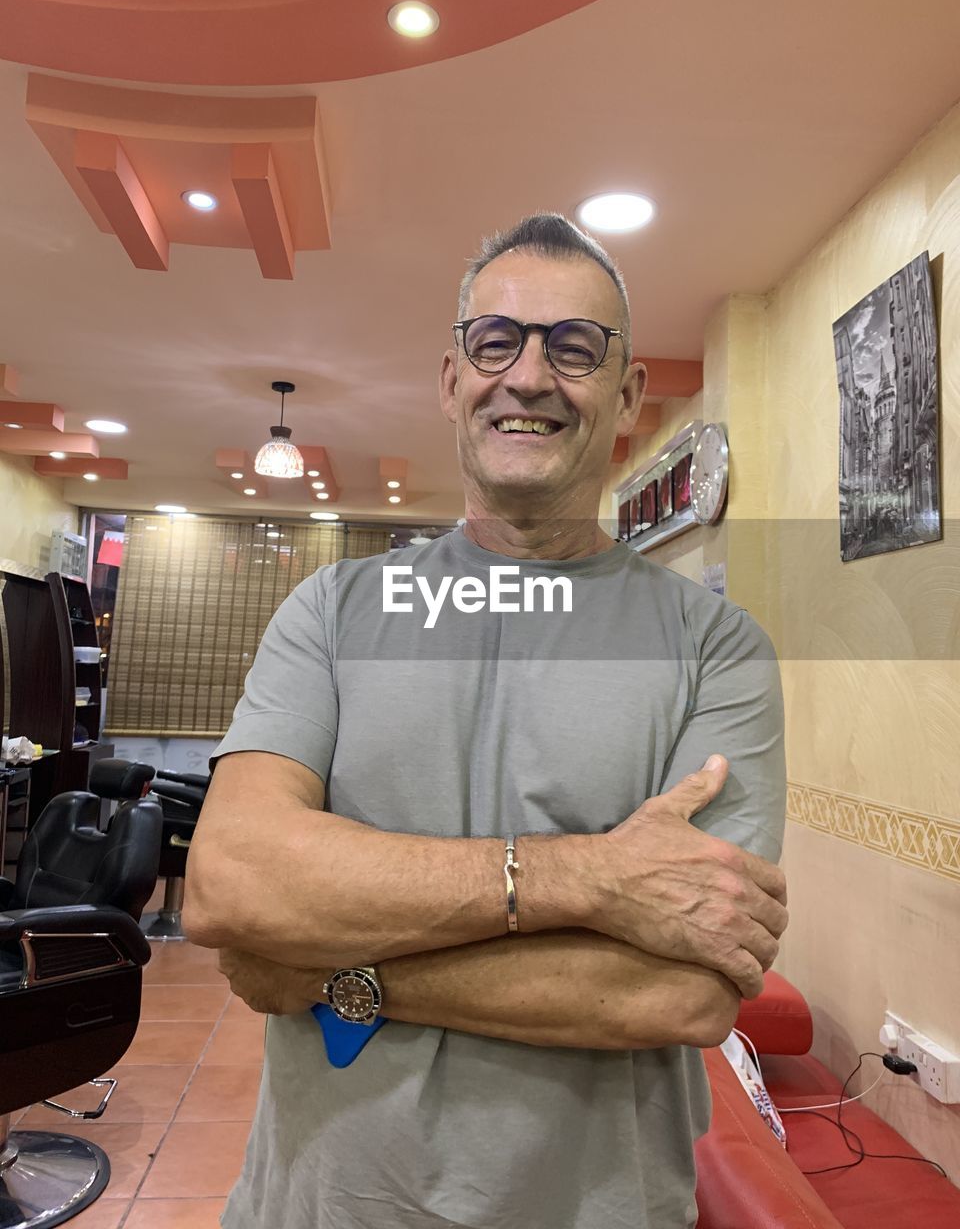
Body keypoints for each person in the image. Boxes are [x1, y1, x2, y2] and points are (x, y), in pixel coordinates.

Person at [183, 212, 789, 1229]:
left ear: (629, 392)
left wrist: (334, 968)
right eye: (495, 341)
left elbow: (679, 996)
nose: (529, 375)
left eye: (575, 346)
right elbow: (232, 883)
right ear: (453, 378)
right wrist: (591, 877)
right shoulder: (330, 613)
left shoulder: (715, 647)